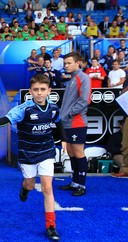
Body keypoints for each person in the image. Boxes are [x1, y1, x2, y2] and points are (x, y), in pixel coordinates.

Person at [0, 74, 65, 241]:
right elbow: (6, 119)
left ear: (49, 91)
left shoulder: (53, 108)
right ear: (30, 91)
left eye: (43, 89)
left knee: (47, 187)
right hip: (28, 154)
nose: (39, 93)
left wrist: (64, 139)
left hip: (47, 152)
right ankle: (24, 188)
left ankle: (51, 226)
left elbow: (58, 122)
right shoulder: (24, 109)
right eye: (35, 90)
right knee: (29, 185)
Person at [59, 52, 91, 197]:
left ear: (78, 63)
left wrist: (70, 114)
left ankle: (82, 185)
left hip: (76, 122)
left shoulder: (83, 78)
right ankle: (75, 182)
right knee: (71, 153)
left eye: (69, 63)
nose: (66, 65)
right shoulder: (72, 78)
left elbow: (85, 101)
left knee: (78, 152)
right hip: (68, 121)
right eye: (65, 63)